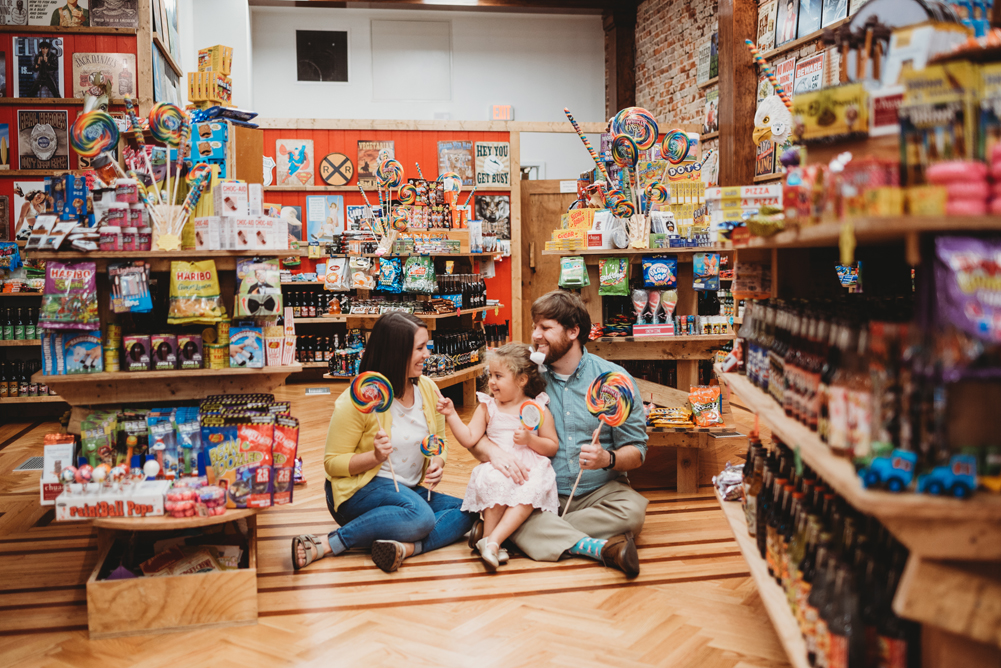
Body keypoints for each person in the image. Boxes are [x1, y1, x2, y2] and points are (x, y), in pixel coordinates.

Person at [469, 291, 649, 577]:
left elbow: (637, 451)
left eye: (545, 327)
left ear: (573, 331)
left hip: (600, 491)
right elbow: (480, 432)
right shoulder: (526, 379)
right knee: (522, 509)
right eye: (534, 326)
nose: (535, 335)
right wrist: (494, 453)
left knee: (632, 512)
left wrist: (608, 458)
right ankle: (601, 549)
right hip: (539, 490)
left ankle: (504, 533)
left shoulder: (613, 381)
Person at [293, 313, 474, 573]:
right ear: (396, 352)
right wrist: (375, 457)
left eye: (427, 346)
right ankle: (327, 543)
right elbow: (332, 464)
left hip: (407, 491)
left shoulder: (428, 389)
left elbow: (439, 440)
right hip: (358, 492)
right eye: (420, 348)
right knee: (421, 517)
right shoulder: (357, 400)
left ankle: (404, 548)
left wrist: (438, 460)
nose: (427, 355)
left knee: (469, 508)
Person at [436, 343, 559, 571]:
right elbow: (469, 438)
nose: (491, 381)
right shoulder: (487, 407)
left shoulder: (537, 408)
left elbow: (552, 446)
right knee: (495, 481)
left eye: (498, 376)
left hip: (529, 468)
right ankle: (492, 540)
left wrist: (531, 440)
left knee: (530, 489)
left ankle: (492, 541)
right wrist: (452, 415)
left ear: (522, 380)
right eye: (490, 375)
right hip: (496, 465)